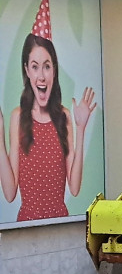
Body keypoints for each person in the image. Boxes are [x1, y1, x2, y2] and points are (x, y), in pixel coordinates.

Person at [1, 26, 96, 222]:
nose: (41, 75)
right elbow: (10, 193)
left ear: (54, 70)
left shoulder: (65, 117)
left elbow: (75, 188)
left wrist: (81, 128)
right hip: (26, 226)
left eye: (47, 66)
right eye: (35, 67)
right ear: (27, 70)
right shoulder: (17, 117)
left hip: (59, 223)